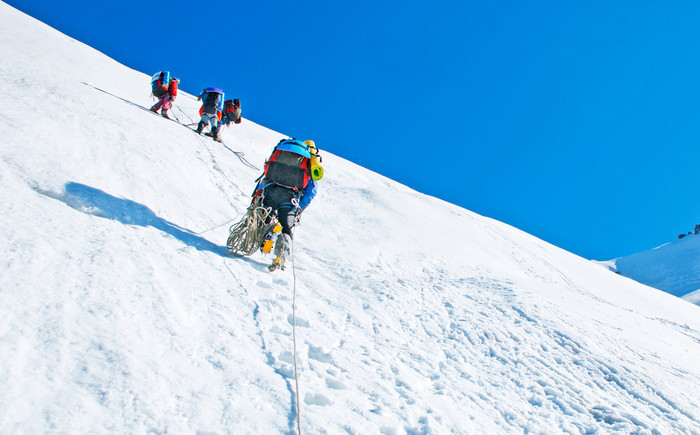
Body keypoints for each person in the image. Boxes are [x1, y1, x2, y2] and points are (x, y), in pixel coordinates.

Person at [252, 139, 320, 271]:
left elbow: (267, 174)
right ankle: (280, 257)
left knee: (263, 218)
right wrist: (299, 207)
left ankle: (267, 236)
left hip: (270, 190)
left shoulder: (283, 152)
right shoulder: (309, 164)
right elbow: (311, 191)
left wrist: (259, 193)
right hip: (289, 198)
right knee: (286, 228)